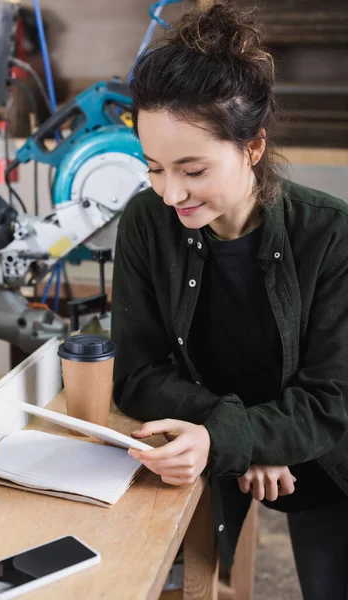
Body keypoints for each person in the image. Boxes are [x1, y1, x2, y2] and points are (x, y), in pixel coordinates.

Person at [111, 2, 348, 598]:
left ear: (252, 147)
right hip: (211, 457)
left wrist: (234, 436)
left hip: (327, 463)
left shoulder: (331, 234)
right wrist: (233, 437)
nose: (171, 194)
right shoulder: (145, 222)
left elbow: (330, 400)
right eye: (154, 168)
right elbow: (136, 371)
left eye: (192, 169)